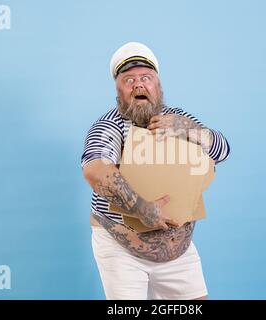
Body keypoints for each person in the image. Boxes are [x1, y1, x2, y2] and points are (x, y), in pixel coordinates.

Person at [81, 42, 230, 300]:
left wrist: (189, 130)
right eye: (128, 80)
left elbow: (222, 152)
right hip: (122, 251)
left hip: (178, 253)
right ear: (118, 91)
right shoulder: (110, 126)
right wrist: (141, 208)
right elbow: (95, 169)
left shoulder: (178, 118)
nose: (138, 85)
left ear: (158, 86)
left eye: (146, 78)